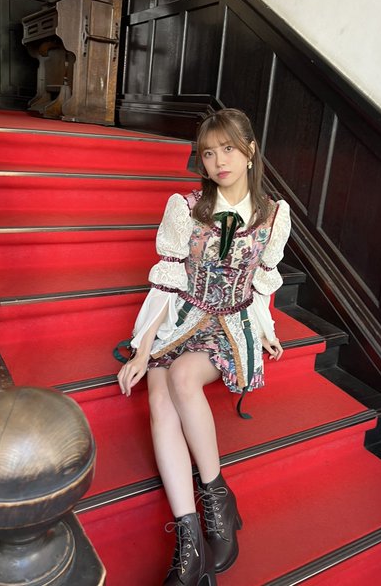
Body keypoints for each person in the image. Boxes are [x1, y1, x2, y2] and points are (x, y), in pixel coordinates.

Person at [117, 108, 291, 586]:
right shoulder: (185, 208)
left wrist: (267, 330)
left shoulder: (273, 216)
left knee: (181, 376)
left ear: (250, 151)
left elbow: (262, 282)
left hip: (232, 322)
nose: (219, 162)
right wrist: (142, 348)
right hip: (183, 317)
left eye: (228, 149)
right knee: (158, 399)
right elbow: (167, 283)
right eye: (209, 153)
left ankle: (216, 496)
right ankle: (190, 539)